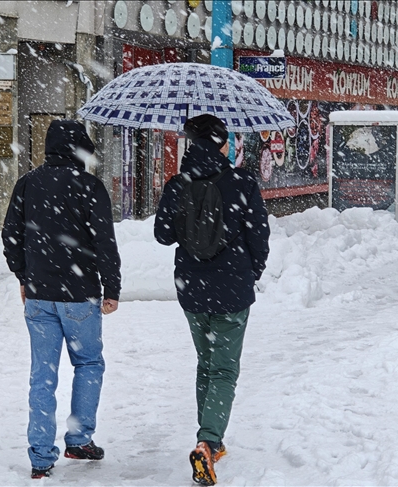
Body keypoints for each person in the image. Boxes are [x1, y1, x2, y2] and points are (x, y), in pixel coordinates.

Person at [154, 114, 270, 486]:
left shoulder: (177, 184)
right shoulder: (241, 182)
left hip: (192, 288)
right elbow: (259, 236)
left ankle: (209, 436)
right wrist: (252, 271)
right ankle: (208, 442)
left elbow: (163, 235)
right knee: (224, 369)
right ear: (222, 143)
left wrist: (184, 208)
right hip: (232, 288)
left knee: (206, 363)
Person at [2, 119, 121, 480]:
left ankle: (40, 455)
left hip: (39, 295)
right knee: (88, 363)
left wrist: (23, 275)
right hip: (80, 295)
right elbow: (105, 242)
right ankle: (79, 438)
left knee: (43, 374)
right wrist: (112, 287)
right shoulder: (90, 187)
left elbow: (10, 235)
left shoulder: (28, 183)